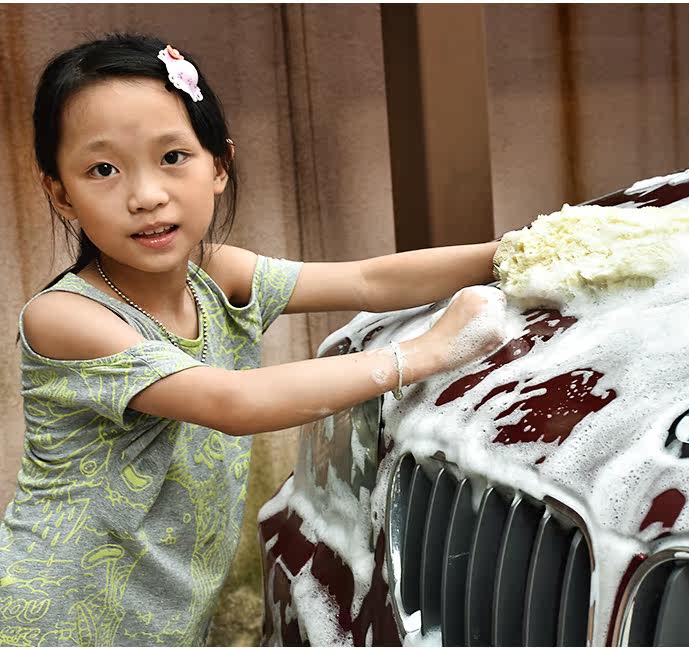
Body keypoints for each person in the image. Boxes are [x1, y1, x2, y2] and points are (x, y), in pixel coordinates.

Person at [0, 32, 507, 647]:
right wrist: (422, 354)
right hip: (52, 616)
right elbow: (232, 402)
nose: (146, 195)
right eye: (102, 169)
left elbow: (369, 280)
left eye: (172, 156)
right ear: (60, 191)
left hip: (163, 617)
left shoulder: (218, 275)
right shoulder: (65, 317)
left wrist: (511, 253)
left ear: (218, 164)